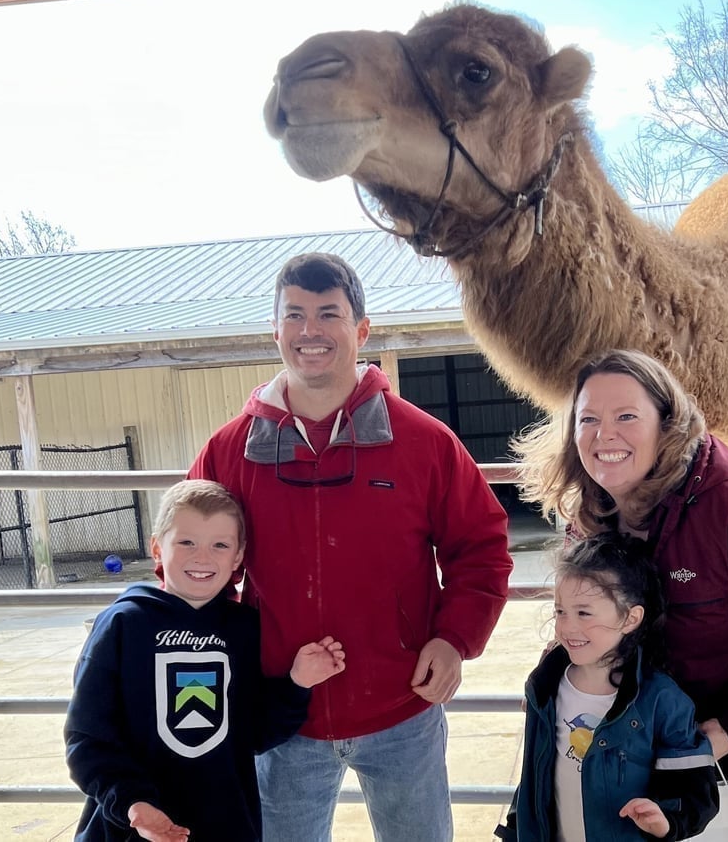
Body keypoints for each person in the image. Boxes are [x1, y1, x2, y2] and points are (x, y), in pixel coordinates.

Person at [188, 251, 513, 841]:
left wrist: (454, 638)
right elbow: (190, 566)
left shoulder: (424, 442)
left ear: (361, 330)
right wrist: (218, 661)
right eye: (295, 315)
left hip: (402, 707)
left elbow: (482, 547)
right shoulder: (229, 451)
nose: (310, 331)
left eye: (328, 314)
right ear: (276, 329)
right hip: (282, 718)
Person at [515, 349, 728, 842]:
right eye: (587, 419)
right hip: (656, 752)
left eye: (626, 416)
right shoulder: (590, 518)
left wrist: (727, 733)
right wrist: (561, 677)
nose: (603, 434)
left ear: (667, 423)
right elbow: (600, 625)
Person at [65, 479, 346, 842]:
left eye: (220, 545)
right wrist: (132, 802)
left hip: (225, 826)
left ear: (239, 556)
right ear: (156, 548)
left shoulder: (245, 630)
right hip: (129, 831)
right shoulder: (122, 625)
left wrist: (296, 683)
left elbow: (254, 733)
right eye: (186, 542)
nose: (202, 557)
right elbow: (87, 737)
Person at [497, 532, 720, 841]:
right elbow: (534, 778)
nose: (567, 627)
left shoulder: (663, 700)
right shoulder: (544, 686)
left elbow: (696, 791)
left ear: (631, 619)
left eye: (584, 613)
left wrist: (665, 819)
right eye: (560, 611)